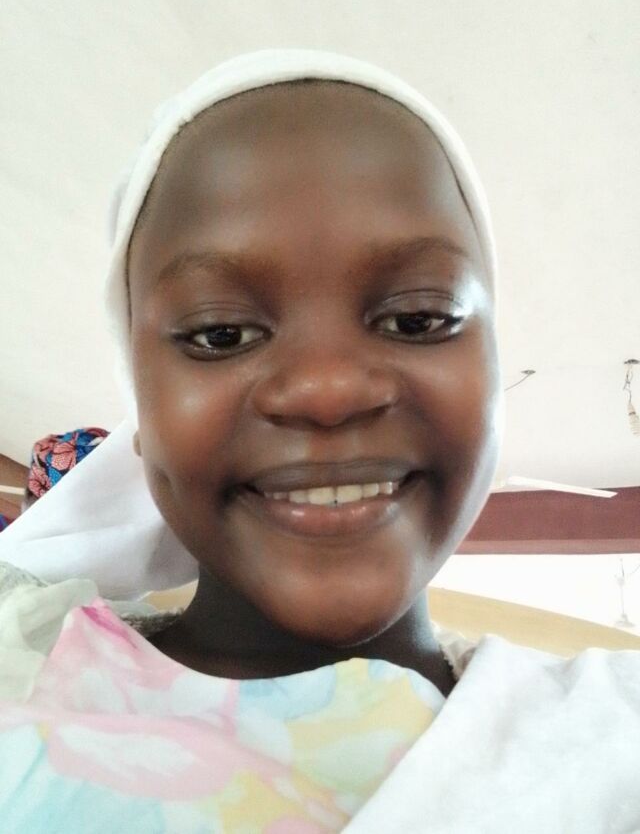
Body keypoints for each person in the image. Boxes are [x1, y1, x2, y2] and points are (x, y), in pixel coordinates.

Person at [0, 50, 638, 833]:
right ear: (140, 407)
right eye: (221, 333)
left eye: (418, 318)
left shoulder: (611, 741)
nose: (328, 388)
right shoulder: (21, 686)